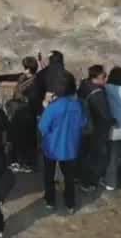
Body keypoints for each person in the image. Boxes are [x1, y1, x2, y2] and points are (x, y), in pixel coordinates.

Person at [38, 76, 86, 213]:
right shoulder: (77, 106)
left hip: (51, 147)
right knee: (69, 176)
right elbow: (83, 123)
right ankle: (70, 203)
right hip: (70, 147)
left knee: (49, 174)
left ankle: (50, 200)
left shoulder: (53, 107)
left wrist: (46, 107)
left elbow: (43, 127)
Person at [78, 64, 112, 189]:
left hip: (84, 126)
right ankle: (89, 182)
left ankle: (81, 178)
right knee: (96, 157)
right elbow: (106, 115)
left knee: (84, 154)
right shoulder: (98, 94)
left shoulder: (84, 84)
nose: (106, 79)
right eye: (104, 77)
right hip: (96, 130)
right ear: (96, 78)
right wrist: (113, 121)